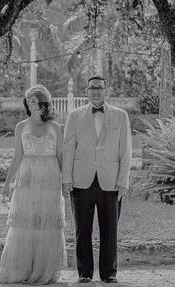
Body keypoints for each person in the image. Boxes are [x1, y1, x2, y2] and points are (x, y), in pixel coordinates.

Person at [62, 75, 132, 284]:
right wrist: (66, 179)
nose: (95, 91)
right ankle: (84, 274)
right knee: (82, 230)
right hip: (80, 180)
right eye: (92, 88)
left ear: (105, 90)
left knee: (109, 230)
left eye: (99, 88)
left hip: (110, 181)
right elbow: (68, 149)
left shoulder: (121, 116)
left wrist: (123, 181)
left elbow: (126, 151)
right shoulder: (74, 116)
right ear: (87, 91)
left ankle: (109, 274)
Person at [0, 84, 67, 285]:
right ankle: (22, 269)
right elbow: (18, 155)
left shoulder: (55, 127)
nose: (33, 104)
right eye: (30, 101)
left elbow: (60, 154)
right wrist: (7, 184)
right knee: (26, 222)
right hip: (27, 179)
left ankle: (45, 270)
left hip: (50, 179)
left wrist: (65, 181)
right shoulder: (21, 126)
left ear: (44, 104)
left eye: (36, 100)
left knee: (46, 222)